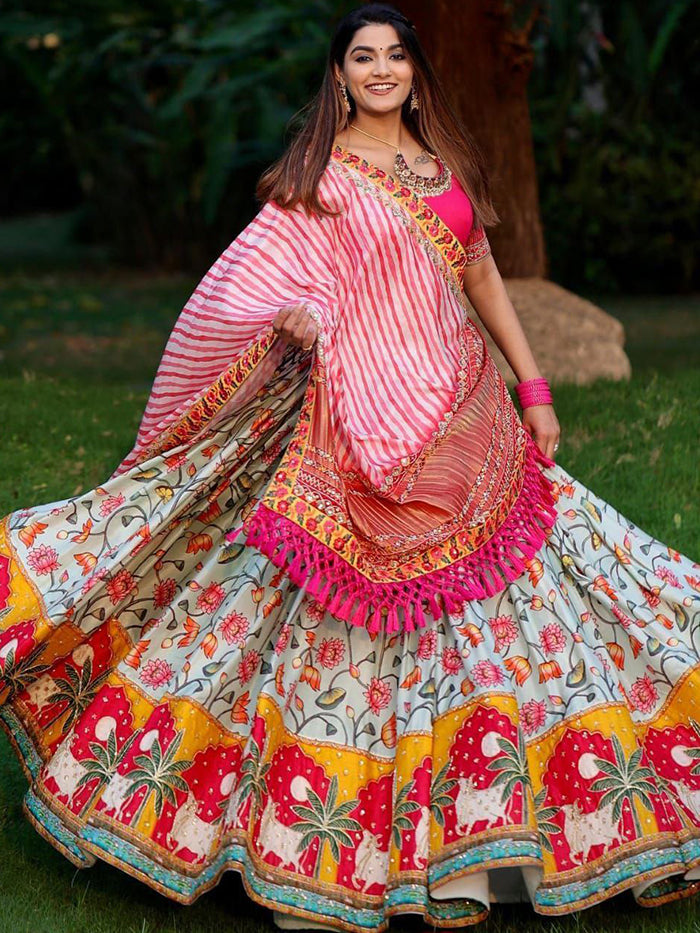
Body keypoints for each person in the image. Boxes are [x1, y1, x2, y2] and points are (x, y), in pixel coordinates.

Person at [1, 3, 699, 930]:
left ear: (415, 71)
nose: (380, 70)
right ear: (339, 77)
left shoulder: (442, 167)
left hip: (467, 414)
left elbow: (479, 267)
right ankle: (331, 840)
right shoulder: (317, 179)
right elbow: (256, 283)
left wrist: (534, 384)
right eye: (362, 57)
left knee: (495, 617)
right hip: (355, 426)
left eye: (395, 55)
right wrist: (294, 314)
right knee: (343, 628)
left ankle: (480, 841)